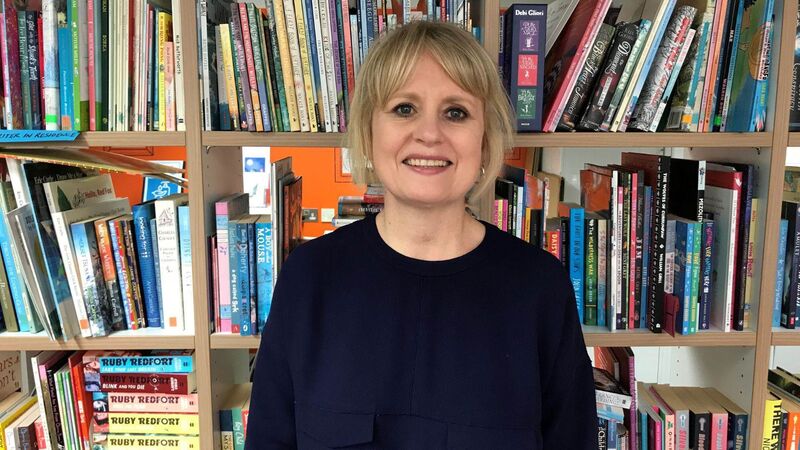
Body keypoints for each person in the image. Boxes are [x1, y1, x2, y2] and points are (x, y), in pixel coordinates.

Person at [245, 20, 596, 449]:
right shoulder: (310, 277)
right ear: (369, 132)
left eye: (456, 112)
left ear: (485, 141)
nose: (429, 134)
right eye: (404, 108)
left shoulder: (539, 286)